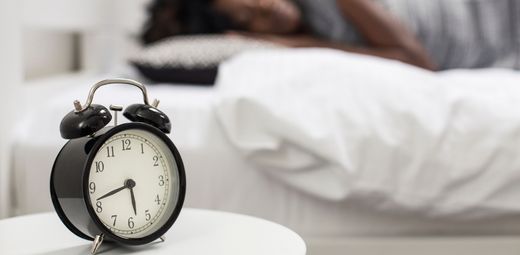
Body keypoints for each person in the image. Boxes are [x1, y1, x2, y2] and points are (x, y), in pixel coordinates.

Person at [141, 0, 520, 71]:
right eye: (249, 15)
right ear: (236, 35)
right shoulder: (292, 50)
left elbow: (415, 59)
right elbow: (418, 62)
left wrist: (300, 45)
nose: (266, 5)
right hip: (497, 48)